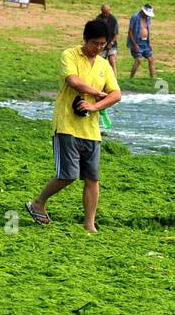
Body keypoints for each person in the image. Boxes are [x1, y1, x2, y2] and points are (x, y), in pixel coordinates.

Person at [25, 20, 121, 233]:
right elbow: (73, 81)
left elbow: (116, 94)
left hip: (92, 131)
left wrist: (95, 106)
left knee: (92, 178)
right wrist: (95, 93)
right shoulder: (69, 55)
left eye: (102, 44)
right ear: (85, 39)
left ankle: (89, 223)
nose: (98, 48)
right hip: (67, 125)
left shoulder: (104, 65)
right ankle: (38, 202)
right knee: (67, 174)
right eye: (95, 43)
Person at [127, 3, 155, 80]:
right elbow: (130, 32)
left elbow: (147, 30)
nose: (147, 16)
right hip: (137, 42)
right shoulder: (135, 17)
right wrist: (135, 44)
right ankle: (130, 78)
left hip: (145, 43)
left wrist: (149, 42)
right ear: (143, 11)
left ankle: (152, 79)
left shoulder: (148, 18)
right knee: (138, 60)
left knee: (151, 59)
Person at [96, 3, 119, 72]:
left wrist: (111, 43)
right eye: (104, 12)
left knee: (112, 61)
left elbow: (116, 34)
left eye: (106, 12)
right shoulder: (98, 19)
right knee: (99, 63)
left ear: (109, 11)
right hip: (101, 45)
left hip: (112, 44)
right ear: (101, 11)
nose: (105, 14)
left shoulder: (113, 20)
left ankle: (114, 81)